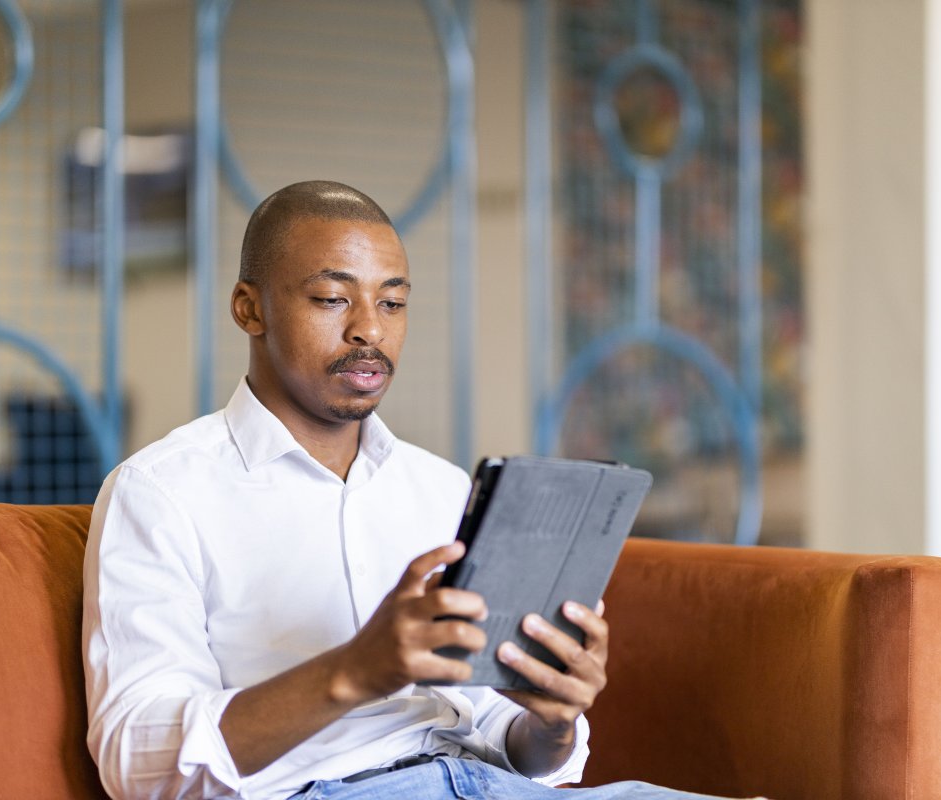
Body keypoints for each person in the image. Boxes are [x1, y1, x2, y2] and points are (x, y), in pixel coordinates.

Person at [82, 181, 756, 800]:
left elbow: (501, 731)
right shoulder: (160, 492)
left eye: (393, 302)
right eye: (331, 298)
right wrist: (353, 672)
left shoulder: (438, 487)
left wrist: (550, 718)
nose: (370, 329)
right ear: (248, 307)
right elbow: (136, 760)